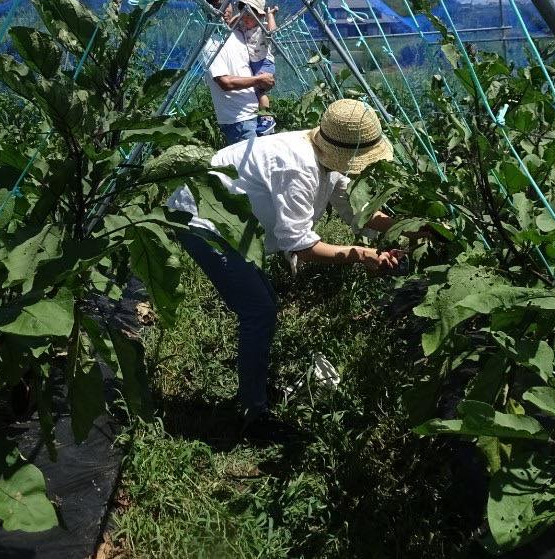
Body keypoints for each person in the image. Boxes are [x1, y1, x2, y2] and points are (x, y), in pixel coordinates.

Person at [168, 99, 406, 440]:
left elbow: (353, 209)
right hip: (203, 220)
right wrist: (363, 254)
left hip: (232, 218)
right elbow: (302, 246)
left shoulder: (327, 153)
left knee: (262, 303)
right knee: (258, 309)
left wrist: (405, 227)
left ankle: (255, 390)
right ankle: (253, 414)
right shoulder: (299, 168)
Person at [198, 0, 275, 146]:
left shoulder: (238, 33)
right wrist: (259, 81)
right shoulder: (210, 44)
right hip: (238, 121)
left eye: (227, 5)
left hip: (256, 113)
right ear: (208, 9)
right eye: (218, 6)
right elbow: (225, 83)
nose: (224, 10)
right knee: (249, 169)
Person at [235, 0, 278, 134]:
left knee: (259, 91)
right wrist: (240, 15)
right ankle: (261, 117)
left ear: (259, 16)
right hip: (253, 64)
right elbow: (230, 25)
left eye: (249, 16)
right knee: (254, 91)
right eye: (243, 15)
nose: (245, 19)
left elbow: (273, 32)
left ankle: (267, 117)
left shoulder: (262, 27)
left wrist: (270, 15)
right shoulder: (242, 26)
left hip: (265, 63)